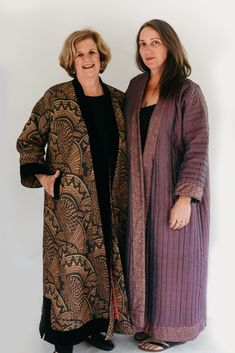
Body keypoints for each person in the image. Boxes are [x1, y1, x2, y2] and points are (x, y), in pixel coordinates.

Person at [16, 29, 132, 353]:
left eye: (91, 52)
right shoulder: (56, 98)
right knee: (69, 271)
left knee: (102, 266)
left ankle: (96, 328)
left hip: (112, 199)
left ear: (101, 57)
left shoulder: (119, 100)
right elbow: (28, 140)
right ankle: (63, 337)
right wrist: (41, 176)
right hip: (70, 203)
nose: (86, 59)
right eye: (79, 54)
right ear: (71, 60)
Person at [124, 19, 209, 352]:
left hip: (171, 190)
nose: (147, 50)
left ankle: (171, 331)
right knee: (143, 258)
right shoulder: (134, 87)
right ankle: (144, 324)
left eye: (155, 42)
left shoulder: (187, 91)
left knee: (173, 258)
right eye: (142, 43)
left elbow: (198, 145)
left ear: (170, 45)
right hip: (138, 193)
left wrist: (185, 197)